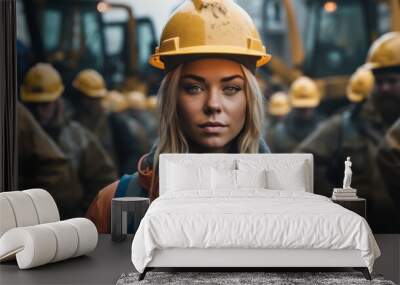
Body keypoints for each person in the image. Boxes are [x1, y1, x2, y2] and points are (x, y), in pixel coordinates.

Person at [86, 0, 272, 233]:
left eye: (231, 89)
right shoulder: (114, 203)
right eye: (194, 88)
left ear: (250, 100)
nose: (213, 105)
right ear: (171, 98)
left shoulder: (290, 203)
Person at [296, 32, 400, 233]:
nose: (385, 88)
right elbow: (301, 161)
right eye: (380, 82)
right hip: (364, 233)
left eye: (392, 81)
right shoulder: (348, 123)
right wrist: (335, 204)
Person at [20, 63, 118, 218]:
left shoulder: (78, 137)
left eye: (45, 104)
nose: (39, 111)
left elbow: (104, 179)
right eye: (33, 105)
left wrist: (82, 216)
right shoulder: (20, 138)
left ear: (57, 100)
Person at [266, 76, 322, 153]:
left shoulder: (322, 131)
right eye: (301, 108)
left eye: (308, 107)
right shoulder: (277, 134)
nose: (305, 111)